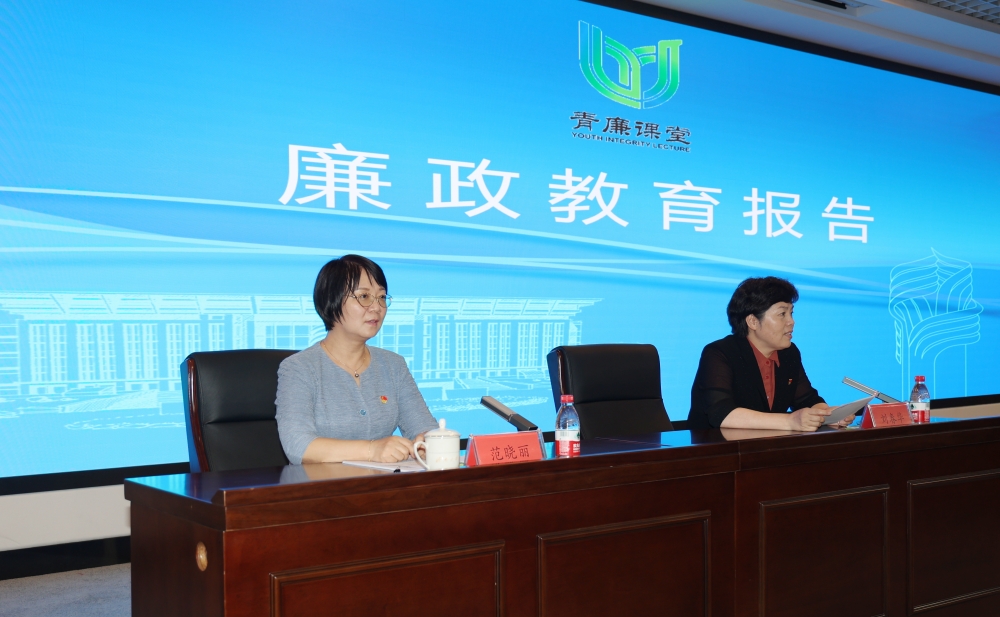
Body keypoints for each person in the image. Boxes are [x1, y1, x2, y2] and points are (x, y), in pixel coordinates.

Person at [276, 255, 438, 464]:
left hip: (382, 482)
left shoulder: (393, 365)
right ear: (332, 299)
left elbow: (425, 428)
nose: (377, 307)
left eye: (381, 297)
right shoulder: (299, 368)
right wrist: (372, 450)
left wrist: (428, 443)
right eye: (364, 296)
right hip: (322, 484)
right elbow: (298, 446)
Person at [687, 276, 852, 431]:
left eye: (791, 313)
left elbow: (806, 399)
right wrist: (790, 421)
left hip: (767, 446)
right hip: (716, 447)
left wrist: (830, 415)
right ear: (752, 321)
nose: (791, 322)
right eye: (782, 314)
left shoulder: (789, 353)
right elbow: (721, 413)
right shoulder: (719, 353)